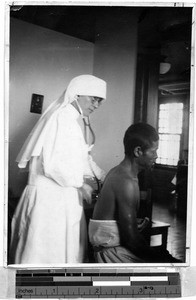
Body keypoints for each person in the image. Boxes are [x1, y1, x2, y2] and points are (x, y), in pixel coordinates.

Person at [9, 74, 107, 264]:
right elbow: (53, 165)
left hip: (60, 200)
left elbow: (81, 160)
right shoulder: (61, 118)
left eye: (99, 101)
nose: (95, 105)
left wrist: (105, 176)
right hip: (50, 202)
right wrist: (81, 185)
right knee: (43, 255)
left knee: (61, 255)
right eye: (93, 99)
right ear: (77, 94)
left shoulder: (71, 122)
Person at [89, 123, 181, 263]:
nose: (156, 156)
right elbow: (131, 240)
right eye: (154, 151)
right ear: (138, 151)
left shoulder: (119, 172)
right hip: (114, 254)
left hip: (114, 249)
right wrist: (162, 258)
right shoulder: (125, 181)